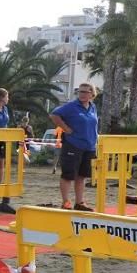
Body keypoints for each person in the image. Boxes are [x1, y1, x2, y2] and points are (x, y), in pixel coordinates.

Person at [50, 82, 98, 211]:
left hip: (89, 146)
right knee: (68, 175)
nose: (82, 94)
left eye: (85, 92)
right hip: (73, 145)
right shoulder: (71, 106)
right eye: (80, 92)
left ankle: (79, 202)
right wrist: (66, 128)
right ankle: (66, 202)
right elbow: (54, 115)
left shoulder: (93, 107)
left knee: (82, 176)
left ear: (92, 94)